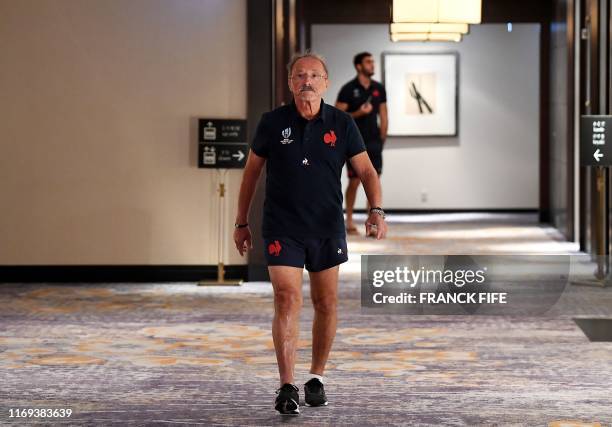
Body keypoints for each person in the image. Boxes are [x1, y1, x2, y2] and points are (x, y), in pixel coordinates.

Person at [233, 51, 388, 415]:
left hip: (326, 226)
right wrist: (241, 222)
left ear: (326, 82)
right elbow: (251, 174)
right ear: (290, 83)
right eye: (300, 75)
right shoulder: (272, 123)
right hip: (282, 226)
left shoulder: (342, 122)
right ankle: (287, 384)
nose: (307, 81)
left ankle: (316, 376)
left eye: (315, 75)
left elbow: (366, 172)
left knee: (326, 302)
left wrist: (376, 210)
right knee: (286, 299)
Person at [336, 52, 388, 235]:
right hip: (354, 143)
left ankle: (373, 222)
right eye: (368, 62)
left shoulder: (378, 88)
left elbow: (383, 113)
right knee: (355, 181)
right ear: (359, 66)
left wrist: (383, 136)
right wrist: (359, 113)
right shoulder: (348, 89)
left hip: (374, 142)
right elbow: (337, 116)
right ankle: (348, 220)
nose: (372, 64)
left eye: (373, 62)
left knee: (374, 180)